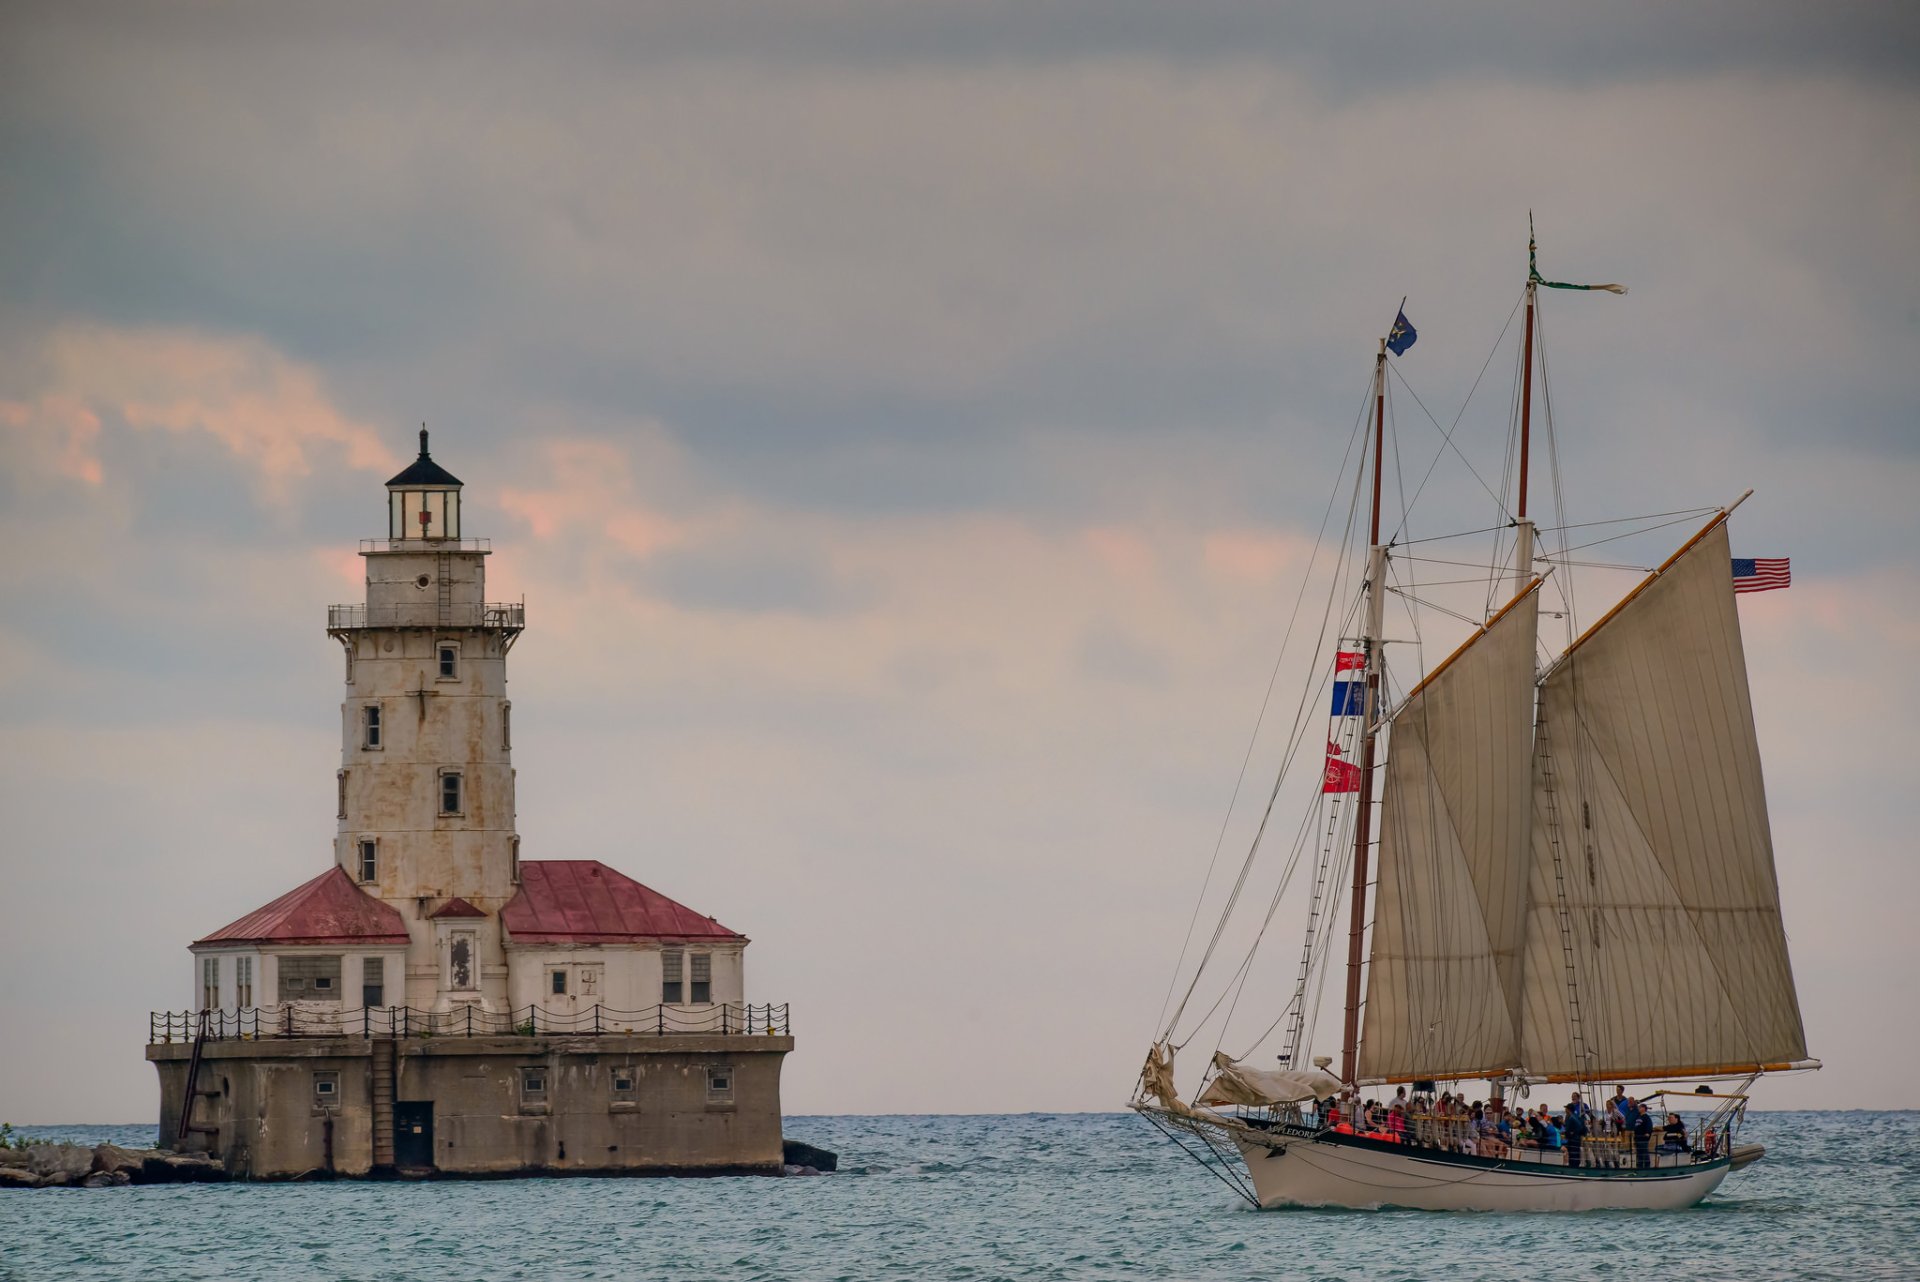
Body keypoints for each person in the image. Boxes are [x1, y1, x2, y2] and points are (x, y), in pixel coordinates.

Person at [1563, 1095, 1588, 1168]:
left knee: (1572, 1155)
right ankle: (1576, 1167)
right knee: (1577, 1155)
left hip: (1573, 1139)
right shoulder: (1578, 1117)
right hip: (1578, 1139)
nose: (1565, 1110)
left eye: (1566, 1109)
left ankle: (1572, 1168)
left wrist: (1569, 1134)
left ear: (1568, 1110)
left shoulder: (1570, 1118)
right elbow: (1583, 1127)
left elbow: (1567, 1130)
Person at [1631, 1100, 1655, 1168]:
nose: (1638, 1109)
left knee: (1644, 1152)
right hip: (1637, 1137)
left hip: (1643, 1138)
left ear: (1643, 1108)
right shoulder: (1638, 1117)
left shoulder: (1646, 1117)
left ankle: (1647, 1166)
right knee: (1639, 1153)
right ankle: (1639, 1166)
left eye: (1640, 1107)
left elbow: (1649, 1126)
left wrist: (1647, 1133)